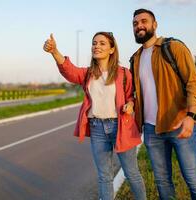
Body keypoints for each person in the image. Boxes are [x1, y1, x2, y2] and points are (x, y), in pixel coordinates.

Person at [43, 32, 146, 200]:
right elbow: (69, 71)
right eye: (94, 43)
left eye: (102, 43)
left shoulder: (124, 73)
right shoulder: (88, 74)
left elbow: (131, 96)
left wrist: (131, 104)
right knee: (104, 176)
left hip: (121, 127)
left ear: (112, 49)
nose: (96, 46)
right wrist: (55, 51)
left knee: (131, 173)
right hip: (97, 128)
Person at [131, 8, 196, 199]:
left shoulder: (173, 47)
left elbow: (193, 83)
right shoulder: (135, 59)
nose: (139, 26)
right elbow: (139, 93)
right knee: (162, 182)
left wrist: (191, 117)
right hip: (152, 130)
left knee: (193, 179)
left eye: (144, 21)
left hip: (180, 123)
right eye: (135, 23)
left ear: (154, 25)